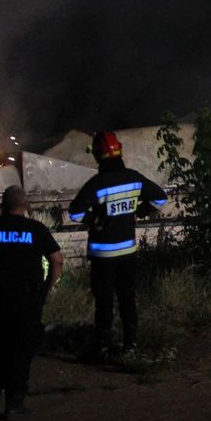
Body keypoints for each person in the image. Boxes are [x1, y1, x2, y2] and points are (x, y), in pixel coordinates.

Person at [68, 131, 167, 362]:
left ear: (97, 156)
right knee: (127, 297)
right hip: (128, 253)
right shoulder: (134, 178)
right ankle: (130, 344)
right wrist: (137, 214)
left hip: (103, 255)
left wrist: (96, 220)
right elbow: (160, 199)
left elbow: (75, 213)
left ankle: (101, 346)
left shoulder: (96, 184)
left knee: (104, 301)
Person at [0, 185, 63, 419]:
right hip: (26, 299)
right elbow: (57, 260)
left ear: (2, 205)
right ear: (25, 206)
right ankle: (14, 403)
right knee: (20, 351)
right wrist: (46, 289)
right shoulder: (36, 229)